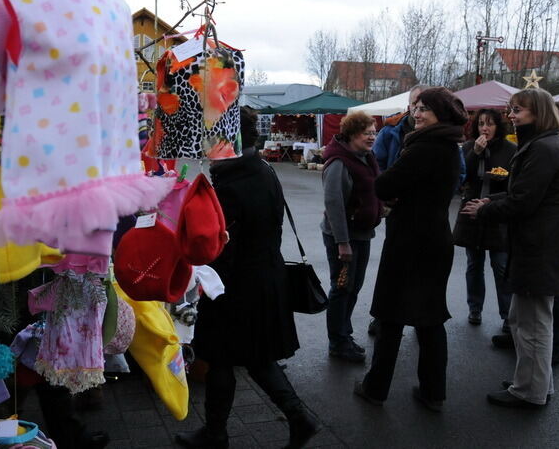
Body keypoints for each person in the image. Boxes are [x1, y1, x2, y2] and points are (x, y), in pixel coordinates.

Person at [176, 107, 321, 449]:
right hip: (263, 279)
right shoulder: (260, 169)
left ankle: (220, 433)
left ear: (227, 140)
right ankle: (291, 420)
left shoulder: (232, 183)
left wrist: (201, 276)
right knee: (252, 358)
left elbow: (221, 246)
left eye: (210, 135)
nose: (204, 143)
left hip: (236, 287)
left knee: (226, 356)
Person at [354, 87, 467, 412]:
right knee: (430, 318)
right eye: (416, 107)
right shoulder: (448, 146)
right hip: (434, 239)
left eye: (425, 109)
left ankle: (375, 388)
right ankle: (433, 393)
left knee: (391, 316)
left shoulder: (425, 147)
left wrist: (394, 193)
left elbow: (384, 185)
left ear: (440, 114)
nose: (417, 113)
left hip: (410, 242)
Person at [462, 89, 559, 408]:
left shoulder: (544, 148)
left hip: (539, 244)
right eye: (511, 110)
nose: (511, 115)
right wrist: (490, 201)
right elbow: (520, 193)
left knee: (533, 324)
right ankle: (536, 384)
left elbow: (524, 201)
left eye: (518, 111)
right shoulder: (544, 144)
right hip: (539, 242)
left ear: (537, 113)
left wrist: (484, 209)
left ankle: (530, 391)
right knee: (528, 321)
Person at [321, 112, 383, 363]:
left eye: (374, 132)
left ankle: (344, 335)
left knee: (354, 287)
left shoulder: (366, 157)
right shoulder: (338, 162)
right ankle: (338, 341)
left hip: (362, 234)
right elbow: (334, 203)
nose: (372, 137)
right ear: (352, 134)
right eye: (367, 132)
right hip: (344, 238)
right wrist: (342, 242)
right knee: (342, 288)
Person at [453, 109, 516, 329]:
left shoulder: (510, 150)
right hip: (472, 211)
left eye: (489, 124)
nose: (484, 129)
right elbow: (462, 178)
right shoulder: (470, 147)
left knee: (500, 265)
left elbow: (513, 187)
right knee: (474, 264)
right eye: (480, 124)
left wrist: (492, 198)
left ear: (498, 126)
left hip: (498, 212)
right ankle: (475, 308)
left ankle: (507, 315)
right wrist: (475, 154)